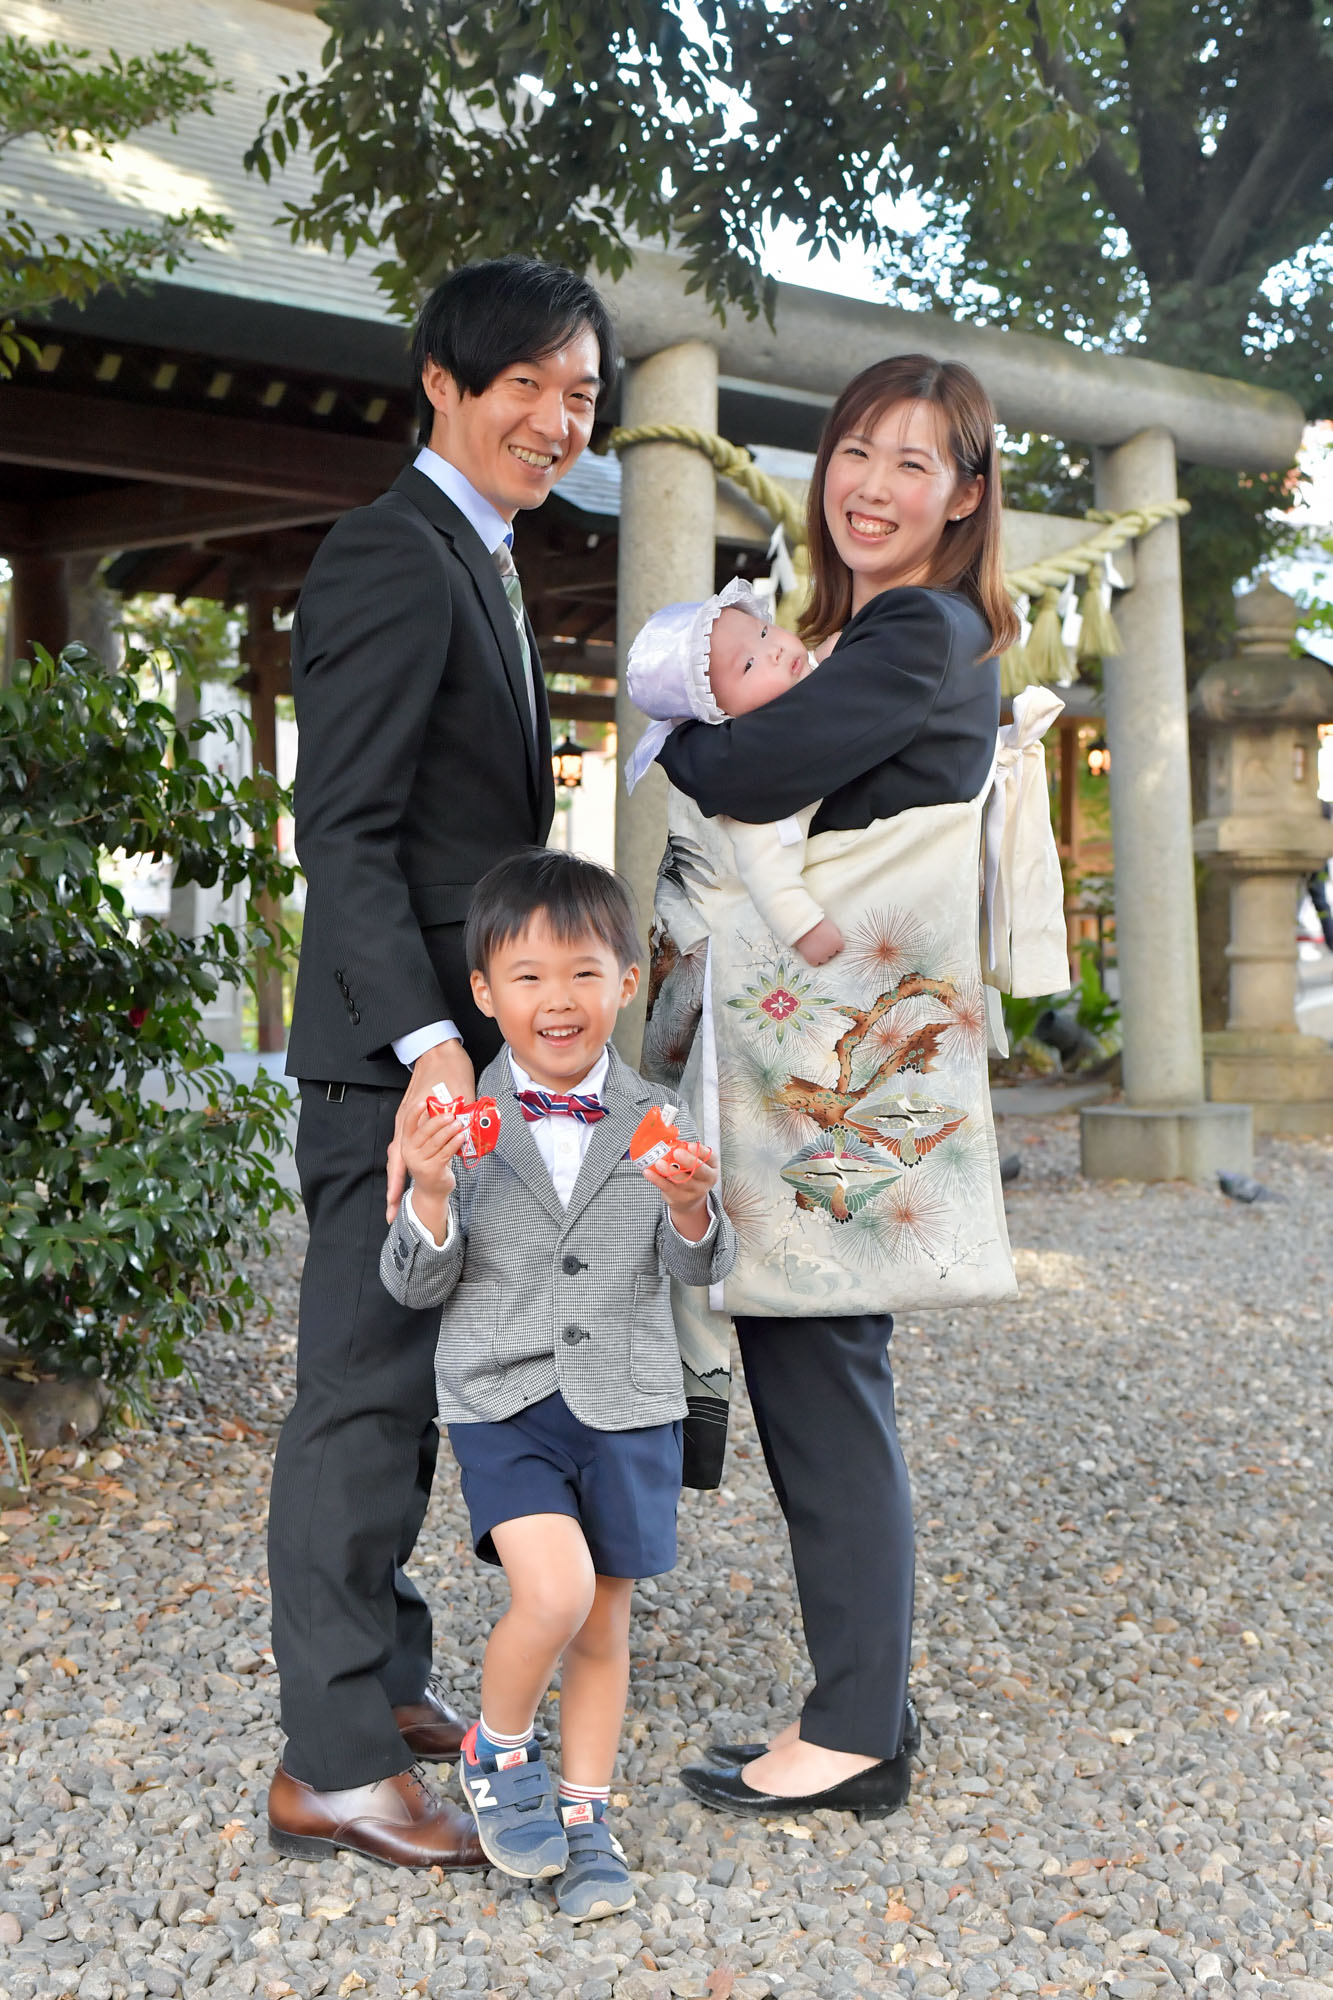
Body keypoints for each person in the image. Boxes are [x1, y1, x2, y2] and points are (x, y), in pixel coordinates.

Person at [266, 260, 619, 1870]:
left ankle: (381, 1675)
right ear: (439, 382)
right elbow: (337, 835)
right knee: (356, 1395)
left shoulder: (478, 557)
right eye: (524, 386)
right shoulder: (390, 555)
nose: (554, 421)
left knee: (404, 1391)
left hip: (441, 1056)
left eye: (580, 396)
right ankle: (332, 1764)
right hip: (382, 1064)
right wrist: (423, 1045)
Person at [653, 353, 1021, 1820]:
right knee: (822, 1368)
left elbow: (747, 774)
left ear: (967, 496)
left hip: (830, 1067)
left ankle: (857, 1726)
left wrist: (678, 727)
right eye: (853, 452)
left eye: (913, 464)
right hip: (834, 1056)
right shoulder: (866, 631)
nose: (870, 486)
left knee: (820, 1376)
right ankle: (863, 1696)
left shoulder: (917, 632)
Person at [379, 849, 736, 1918]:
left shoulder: (658, 1115)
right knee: (553, 1589)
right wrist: (433, 1190)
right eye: (526, 975)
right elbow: (412, 1280)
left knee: (603, 1627)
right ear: (483, 992)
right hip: (503, 1396)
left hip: (630, 1402)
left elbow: (700, 1270)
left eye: (583, 971)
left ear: (627, 981)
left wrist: (689, 1212)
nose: (557, 998)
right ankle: (495, 1747)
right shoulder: (458, 1119)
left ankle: (585, 1820)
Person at [624, 577, 843, 966]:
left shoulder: (794, 679)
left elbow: (817, 683)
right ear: (720, 715)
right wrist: (804, 928)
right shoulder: (755, 785)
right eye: (747, 664)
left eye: (762, 631)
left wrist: (831, 660)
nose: (772, 650)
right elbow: (766, 872)